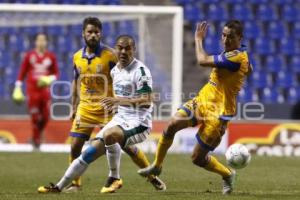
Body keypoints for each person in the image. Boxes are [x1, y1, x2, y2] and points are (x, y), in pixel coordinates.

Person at [37, 28, 165, 193]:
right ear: (116, 49)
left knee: (111, 135)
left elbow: (147, 101)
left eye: (128, 48)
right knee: (88, 152)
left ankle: (115, 177)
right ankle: (59, 187)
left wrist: (119, 101)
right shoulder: (115, 70)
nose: (124, 51)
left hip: (139, 123)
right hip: (119, 119)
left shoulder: (141, 71)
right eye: (120, 47)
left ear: (134, 50)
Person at [138, 20, 252, 195]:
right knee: (172, 125)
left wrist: (198, 39)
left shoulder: (236, 57)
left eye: (231, 36)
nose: (226, 39)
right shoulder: (239, 53)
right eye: (223, 35)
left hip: (219, 114)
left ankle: (228, 174)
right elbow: (249, 68)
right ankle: (157, 166)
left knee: (197, 158)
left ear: (240, 38)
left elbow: (201, 60)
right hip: (203, 101)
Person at [12, 33, 59, 149]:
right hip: (32, 91)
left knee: (46, 116)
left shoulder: (51, 56)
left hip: (45, 91)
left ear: (47, 42)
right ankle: (36, 141)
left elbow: (56, 73)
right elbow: (22, 71)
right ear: (35, 42)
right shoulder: (29, 55)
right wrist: (18, 86)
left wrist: (50, 78)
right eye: (39, 40)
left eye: (43, 40)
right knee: (35, 117)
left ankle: (36, 137)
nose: (41, 42)